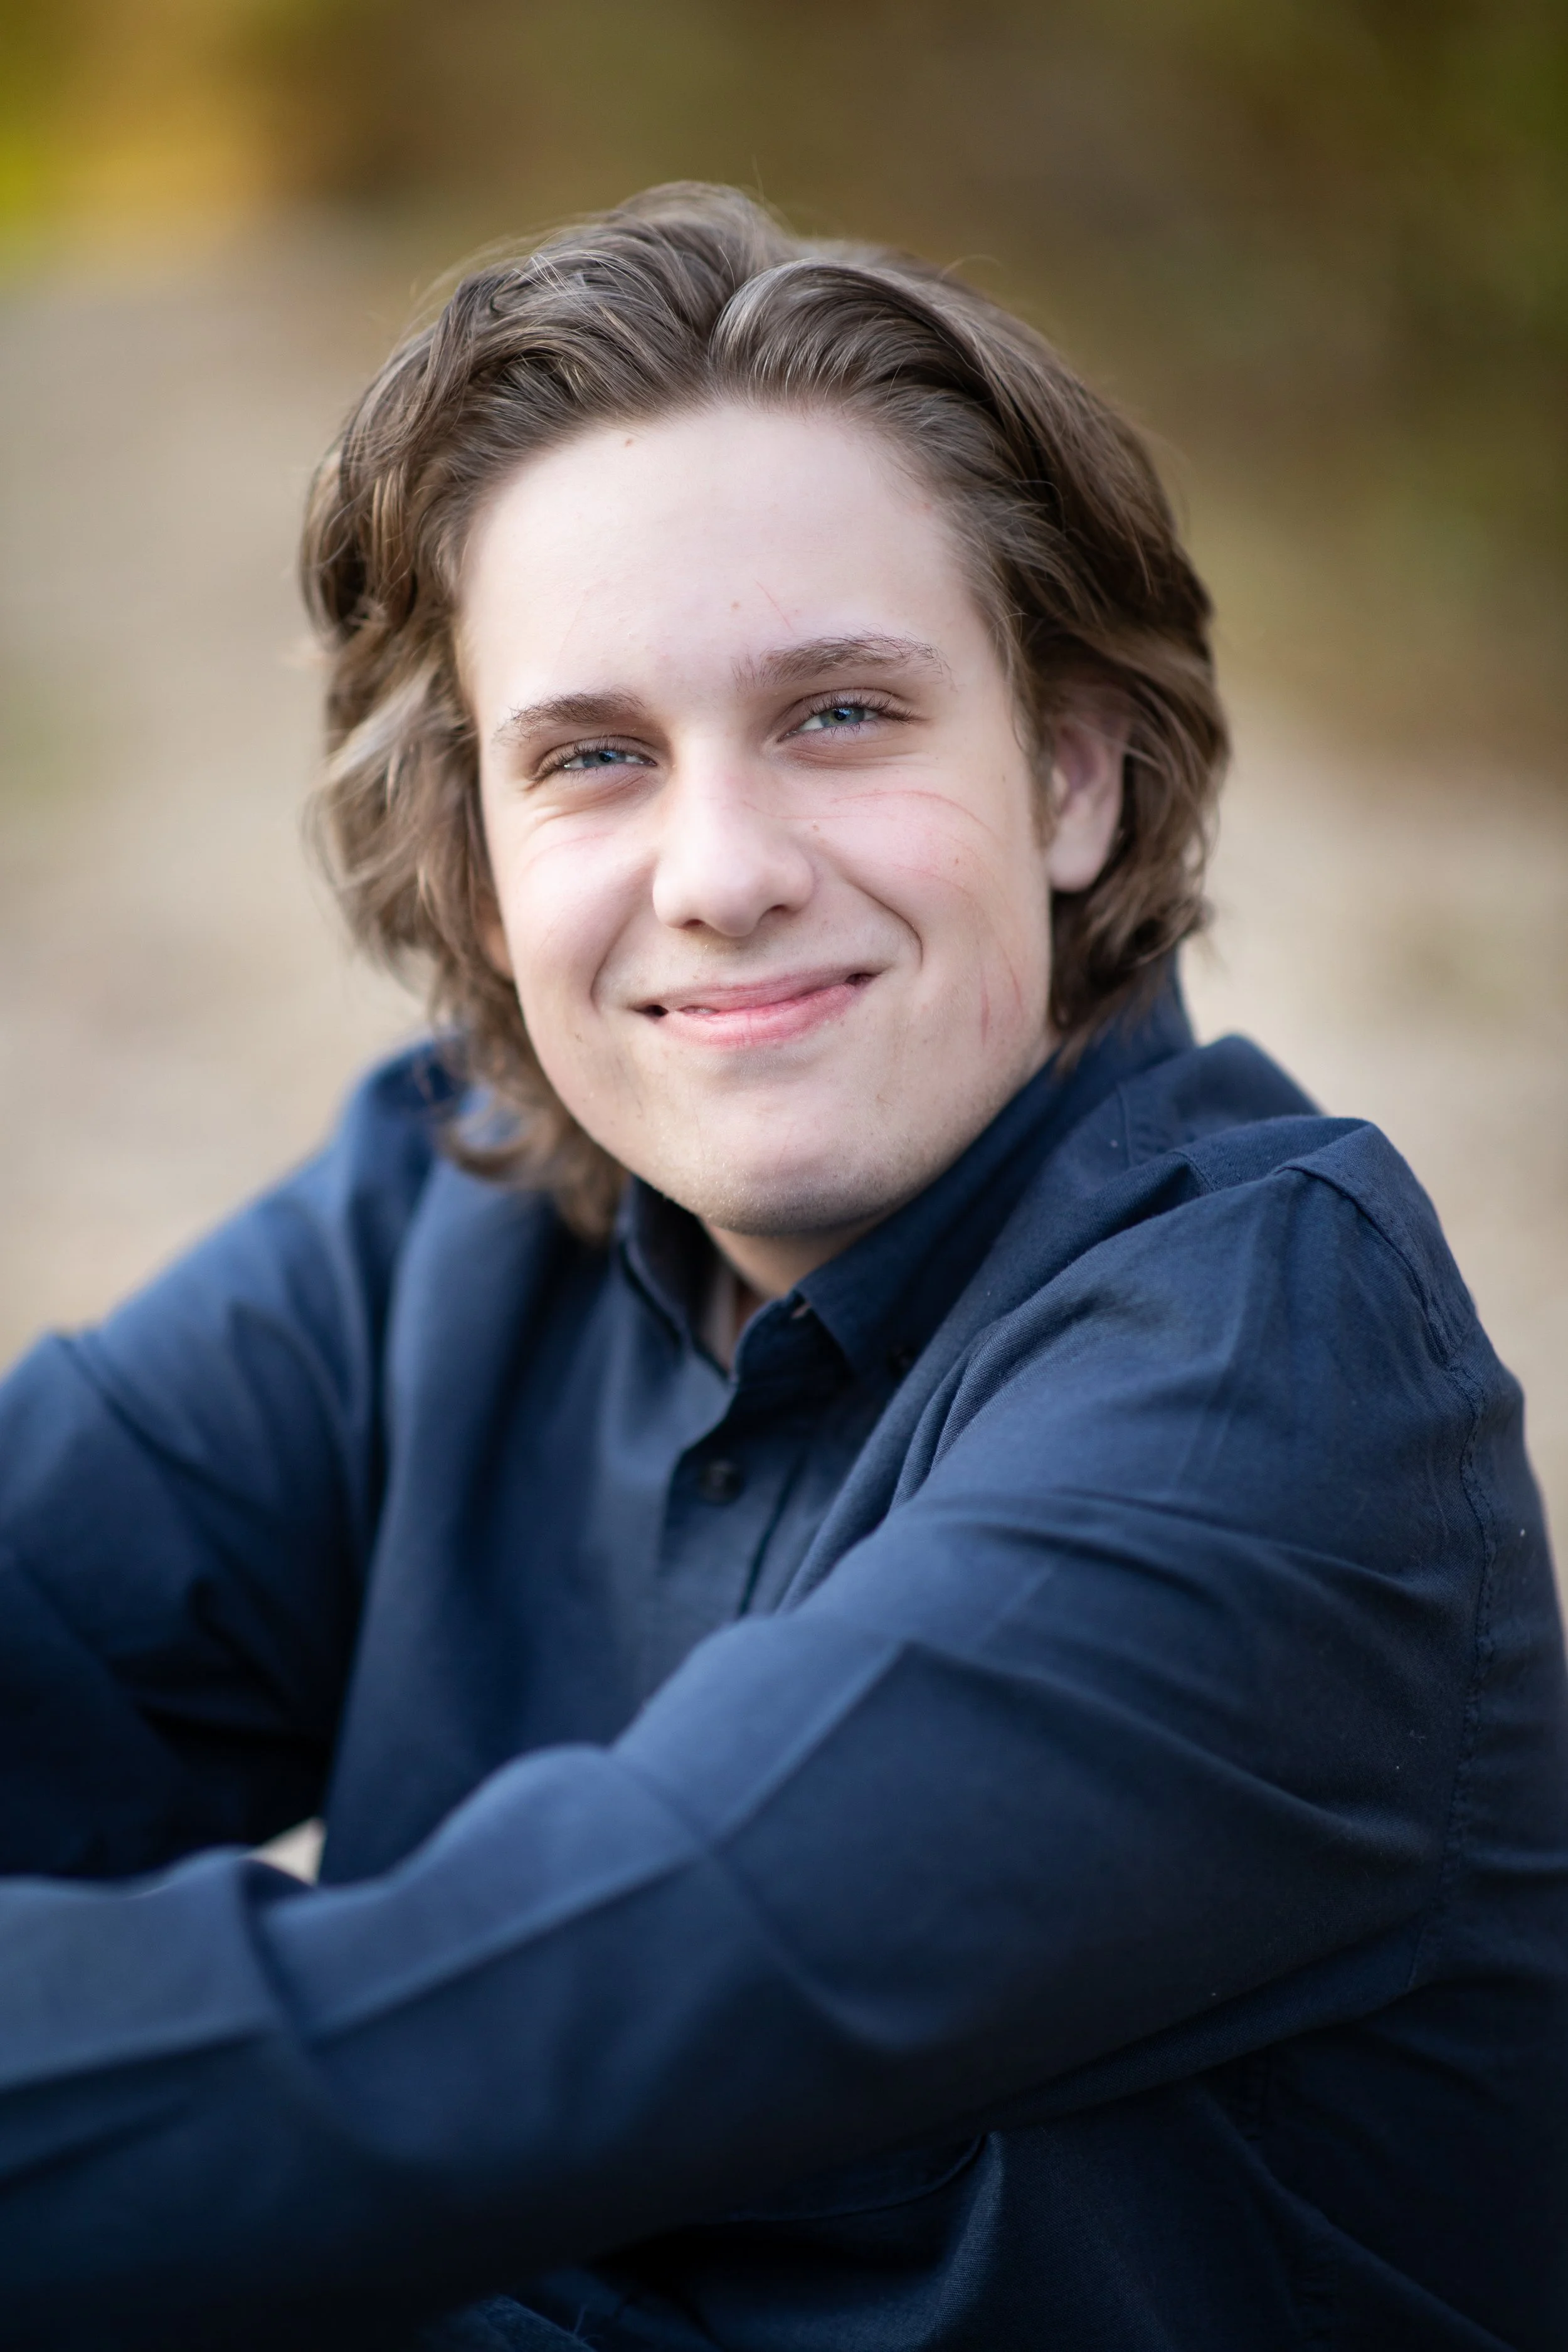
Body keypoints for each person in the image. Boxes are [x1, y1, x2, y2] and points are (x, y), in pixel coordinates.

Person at [0, 184, 1563, 2352]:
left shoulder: (1272, 1383)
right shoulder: (439, 1208)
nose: (718, 872)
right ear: (473, 849)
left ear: (1075, 776)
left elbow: (491, 2037)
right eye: (593, 756)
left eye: (838, 713)